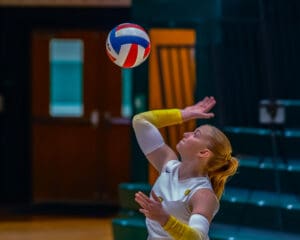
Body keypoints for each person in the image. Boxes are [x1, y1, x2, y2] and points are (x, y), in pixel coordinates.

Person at [132, 96, 239, 240]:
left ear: (203, 152)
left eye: (195, 134)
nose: (186, 134)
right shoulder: (168, 163)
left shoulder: (203, 194)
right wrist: (183, 114)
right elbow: (140, 121)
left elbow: (197, 237)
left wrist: (165, 219)